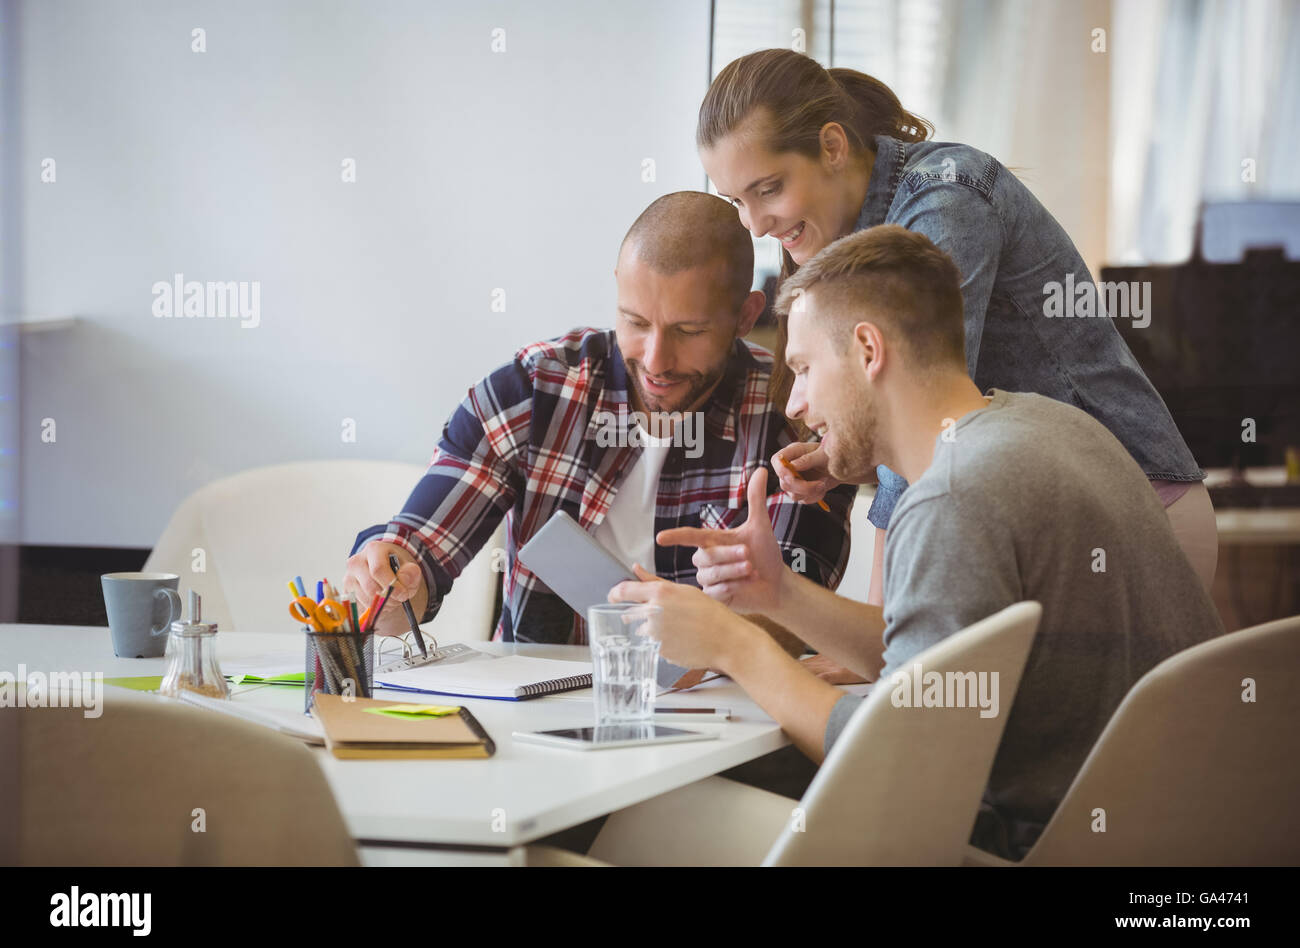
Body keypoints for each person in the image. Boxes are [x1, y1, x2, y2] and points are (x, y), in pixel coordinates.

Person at [609, 225, 1224, 861]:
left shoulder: (955, 496)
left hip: (1035, 848)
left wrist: (734, 645)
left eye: (804, 368)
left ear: (868, 350)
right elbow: (942, 672)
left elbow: (900, 772)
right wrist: (778, 593)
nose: (795, 401)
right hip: (1179, 848)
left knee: (639, 818)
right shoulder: (1053, 427)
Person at [695, 49, 1217, 638]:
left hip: (1136, 510)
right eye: (738, 200)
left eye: (768, 189)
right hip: (1044, 518)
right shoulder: (837, 233)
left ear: (833, 147)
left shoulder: (948, 197)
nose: (756, 225)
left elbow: (924, 413)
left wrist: (879, 629)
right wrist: (847, 459)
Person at [341, 191, 852, 650]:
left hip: (731, 716)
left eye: (689, 331)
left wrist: (714, 635)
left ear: (745, 316)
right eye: (635, 322)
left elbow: (806, 616)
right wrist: (389, 581)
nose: (656, 360)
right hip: (540, 717)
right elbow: (418, 549)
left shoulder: (794, 412)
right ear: (617, 289)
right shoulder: (532, 392)